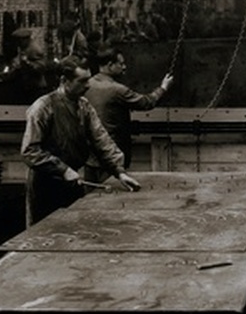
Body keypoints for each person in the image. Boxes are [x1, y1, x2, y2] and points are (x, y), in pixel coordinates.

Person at [21, 56, 141, 227]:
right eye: (82, 81)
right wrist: (62, 169)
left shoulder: (83, 106)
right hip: (45, 185)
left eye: (89, 79)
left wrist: (119, 171)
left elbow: (101, 139)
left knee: (72, 231)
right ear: (64, 80)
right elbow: (30, 151)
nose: (88, 85)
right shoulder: (42, 108)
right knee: (44, 236)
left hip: (73, 180)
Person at [85, 47, 174, 174]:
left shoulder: (86, 85)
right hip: (111, 157)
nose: (125, 67)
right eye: (121, 64)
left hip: (90, 157)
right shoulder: (117, 90)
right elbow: (146, 103)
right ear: (110, 65)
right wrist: (163, 88)